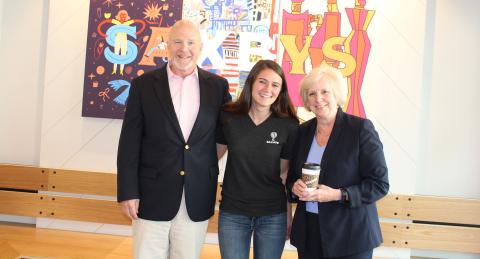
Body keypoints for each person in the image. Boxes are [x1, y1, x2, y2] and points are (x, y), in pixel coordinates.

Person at [117, 19, 231, 259]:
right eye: (178, 42)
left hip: (197, 195)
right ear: (167, 46)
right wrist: (128, 191)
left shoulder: (218, 87)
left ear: (200, 48)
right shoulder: (143, 85)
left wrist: (200, 160)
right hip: (150, 195)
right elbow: (129, 142)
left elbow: (228, 134)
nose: (184, 49)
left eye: (191, 43)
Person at [286, 64, 389, 259]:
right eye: (312, 94)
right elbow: (291, 177)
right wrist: (294, 187)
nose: (318, 99)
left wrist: (337, 194)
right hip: (310, 233)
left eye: (325, 92)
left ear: (337, 94)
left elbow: (379, 184)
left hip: (350, 235)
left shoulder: (360, 129)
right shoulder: (302, 132)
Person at [216, 60, 299, 259]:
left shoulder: (288, 125)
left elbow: (284, 174)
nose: (267, 89)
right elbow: (211, 158)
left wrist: (288, 212)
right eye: (262, 81)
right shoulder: (229, 116)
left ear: (281, 90)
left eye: (275, 85)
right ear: (251, 82)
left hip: (272, 214)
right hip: (233, 213)